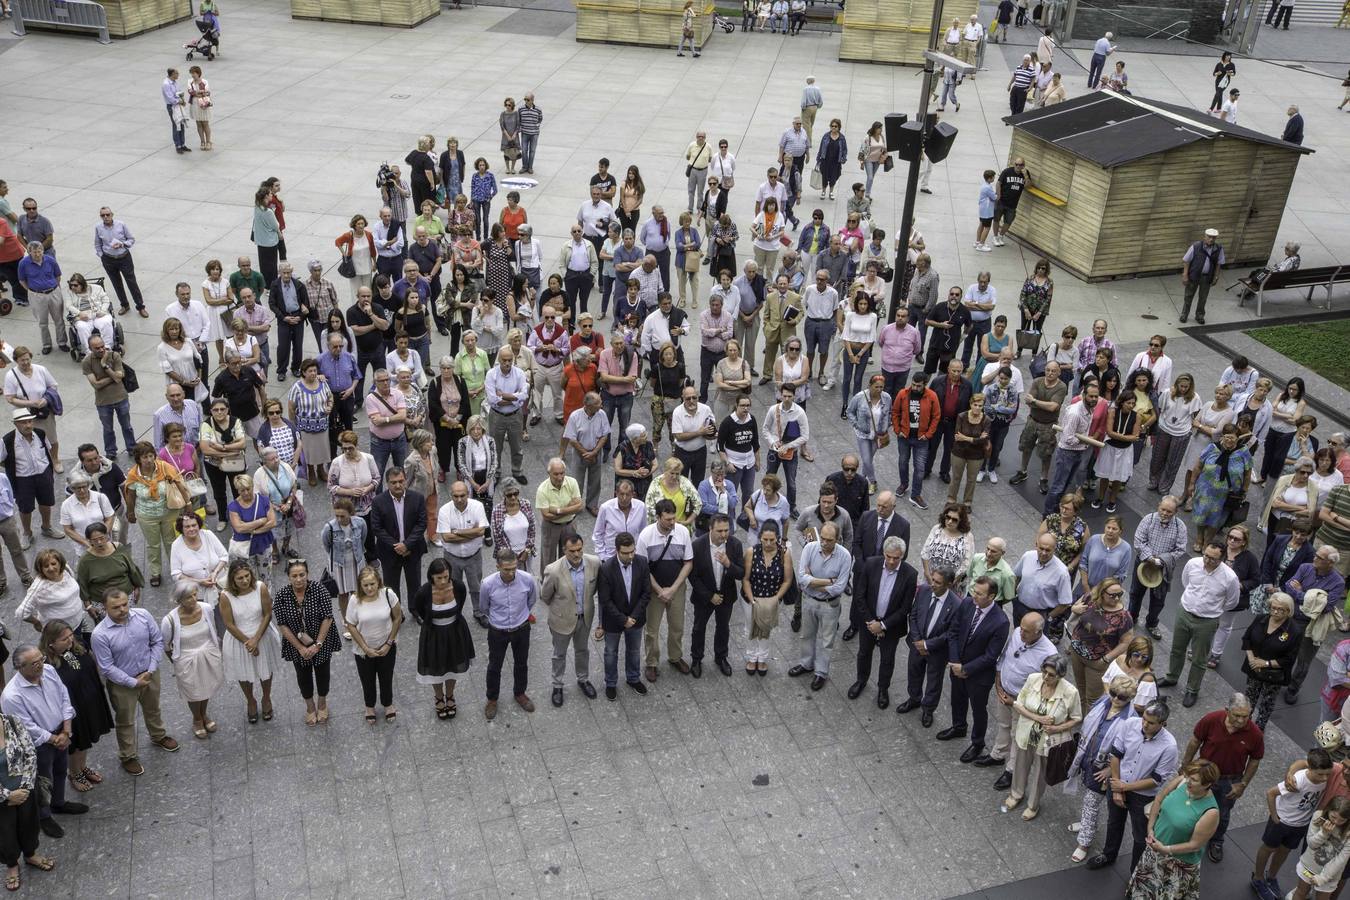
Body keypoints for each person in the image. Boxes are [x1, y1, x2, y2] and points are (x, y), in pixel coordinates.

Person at [90, 589, 178, 775]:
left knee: (153, 708)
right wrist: (132, 682)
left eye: (125, 604)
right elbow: (106, 667)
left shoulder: (143, 615)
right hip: (122, 684)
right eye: (116, 607)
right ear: (105, 608)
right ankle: (128, 755)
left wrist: (150, 670)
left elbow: (156, 642)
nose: (122, 609)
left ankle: (158, 736)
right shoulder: (100, 635)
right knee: (125, 720)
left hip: (150, 674)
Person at [1179, 695, 1264, 864]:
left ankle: (1217, 841)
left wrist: (1243, 784)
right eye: (1237, 715)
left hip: (1229, 780)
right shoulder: (1211, 719)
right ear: (1227, 711)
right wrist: (1185, 766)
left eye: (1245, 716)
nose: (1241, 720)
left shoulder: (1255, 733)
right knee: (1192, 804)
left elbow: (1255, 760)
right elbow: (1195, 741)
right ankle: (1187, 834)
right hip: (1204, 774)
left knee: (1222, 813)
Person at [1123, 761, 1222, 899]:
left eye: (1194, 780)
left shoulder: (1210, 812)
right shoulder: (1181, 781)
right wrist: (1150, 828)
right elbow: (1158, 799)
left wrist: (1166, 849)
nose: (1188, 781)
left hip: (1177, 863)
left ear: (1207, 784)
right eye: (1188, 776)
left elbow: (1195, 845)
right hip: (1155, 849)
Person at [1160, 541, 1241, 708]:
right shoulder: (1193, 563)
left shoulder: (1230, 577)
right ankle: (1172, 677)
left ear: (1222, 559)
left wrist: (1212, 609)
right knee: (1177, 649)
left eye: (1213, 559)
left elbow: (1232, 602)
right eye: (1206, 556)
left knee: (1199, 658)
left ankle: (1192, 689)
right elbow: (1186, 583)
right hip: (1185, 612)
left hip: (1207, 620)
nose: (1207, 560)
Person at [1003, 653, 1082, 821]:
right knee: (1020, 765)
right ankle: (1016, 794)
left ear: (1061, 675)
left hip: (1047, 741)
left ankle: (1033, 804)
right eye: (1044, 671)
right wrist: (1038, 718)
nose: (1046, 677)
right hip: (1026, 733)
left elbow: (1076, 718)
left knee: (1040, 773)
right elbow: (1018, 704)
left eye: (1051, 675)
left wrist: (1057, 728)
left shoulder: (1070, 692)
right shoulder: (1033, 679)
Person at [941, 575, 1011, 763]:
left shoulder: (1001, 622)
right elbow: (954, 631)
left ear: (992, 596)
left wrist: (965, 669)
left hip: (979, 675)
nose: (974, 596)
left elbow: (991, 655)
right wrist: (955, 662)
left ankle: (978, 742)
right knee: (957, 698)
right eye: (974, 591)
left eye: (980, 594)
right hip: (957, 666)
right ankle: (958, 726)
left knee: (978, 708)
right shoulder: (967, 604)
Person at [1250, 749, 1336, 900]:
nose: (1324, 778)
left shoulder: (1323, 779)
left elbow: (1303, 762)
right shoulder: (1298, 780)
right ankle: (1257, 878)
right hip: (1282, 822)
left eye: (1327, 774)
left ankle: (1271, 877)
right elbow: (1271, 793)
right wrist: (1275, 816)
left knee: (1284, 851)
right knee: (1268, 848)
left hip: (1300, 825)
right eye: (1320, 774)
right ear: (1310, 769)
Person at [273, 558, 341, 727]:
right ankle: (310, 707)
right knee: (303, 676)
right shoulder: (282, 595)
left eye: (302, 574)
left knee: (323, 674)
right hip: (297, 644)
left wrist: (317, 644)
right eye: (294, 575)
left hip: (322, 640)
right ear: (288, 577)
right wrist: (301, 648)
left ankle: (322, 703)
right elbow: (282, 624)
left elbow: (327, 618)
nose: (298, 579)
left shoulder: (319, 590)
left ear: (307, 574)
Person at [216, 560, 281, 725]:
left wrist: (256, 639)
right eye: (240, 578)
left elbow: (267, 614)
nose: (245, 581)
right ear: (232, 579)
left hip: (262, 635)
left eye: (247, 576)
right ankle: (250, 700)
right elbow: (229, 623)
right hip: (239, 639)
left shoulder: (260, 587)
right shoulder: (226, 596)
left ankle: (266, 698)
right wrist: (248, 642)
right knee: (243, 673)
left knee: (265, 669)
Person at [158, 582, 224, 741]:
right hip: (186, 659)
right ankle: (197, 718)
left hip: (208, 654)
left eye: (195, 594)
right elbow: (166, 645)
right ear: (179, 600)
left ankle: (204, 714)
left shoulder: (206, 608)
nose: (194, 599)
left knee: (205, 688)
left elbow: (213, 630)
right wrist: (176, 663)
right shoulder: (169, 620)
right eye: (188, 597)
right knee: (193, 693)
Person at [540, 533, 599, 707]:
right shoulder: (553, 570)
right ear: (564, 550)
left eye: (579, 549)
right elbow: (545, 595)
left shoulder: (594, 563)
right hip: (561, 620)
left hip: (585, 618)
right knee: (559, 654)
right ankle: (557, 685)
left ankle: (583, 680)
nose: (576, 554)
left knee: (582, 651)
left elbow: (595, 588)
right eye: (572, 551)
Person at [480, 546, 539, 720]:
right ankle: (492, 698)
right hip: (498, 631)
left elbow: (532, 600)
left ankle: (520, 693)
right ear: (498, 567)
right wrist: (500, 619)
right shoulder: (487, 584)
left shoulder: (527, 579)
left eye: (514, 568)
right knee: (494, 666)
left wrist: (521, 616)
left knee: (521, 663)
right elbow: (484, 607)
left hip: (521, 629)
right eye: (507, 569)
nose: (512, 572)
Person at [411, 559, 475, 720]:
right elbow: (419, 609)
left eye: (445, 577)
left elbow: (459, 606)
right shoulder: (424, 592)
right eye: (438, 578)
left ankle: (451, 695)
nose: (443, 581)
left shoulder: (459, 587)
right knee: (435, 668)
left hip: (455, 632)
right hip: (433, 634)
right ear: (431, 576)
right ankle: (439, 697)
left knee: (454, 666)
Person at [898, 568, 961, 728]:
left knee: (934, 681)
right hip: (916, 645)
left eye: (938, 582)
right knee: (913, 673)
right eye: (932, 579)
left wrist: (927, 645)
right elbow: (913, 615)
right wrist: (918, 641)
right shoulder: (924, 590)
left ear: (949, 584)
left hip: (937, 652)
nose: (933, 584)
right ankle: (914, 699)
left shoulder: (956, 604)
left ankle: (928, 709)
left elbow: (951, 633)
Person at [343, 566, 402, 724]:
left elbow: (397, 617)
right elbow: (350, 624)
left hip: (386, 646)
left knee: (386, 677)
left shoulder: (388, 594)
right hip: (363, 650)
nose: (369, 588)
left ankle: (388, 704)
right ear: (360, 586)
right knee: (367, 679)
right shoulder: (355, 600)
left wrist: (389, 643)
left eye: (372, 584)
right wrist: (365, 648)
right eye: (365, 585)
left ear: (378, 582)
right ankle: (369, 706)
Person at [1180, 228, 1225, 325]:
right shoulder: (1196, 246)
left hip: (1207, 277)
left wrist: (1216, 276)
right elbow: (1186, 261)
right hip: (1194, 275)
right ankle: (1184, 314)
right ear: (1204, 237)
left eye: (1214, 238)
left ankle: (1199, 316)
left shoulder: (1218, 248)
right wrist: (1185, 275)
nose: (1211, 239)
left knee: (1203, 298)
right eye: (1209, 237)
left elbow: (1219, 264)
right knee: (1188, 296)